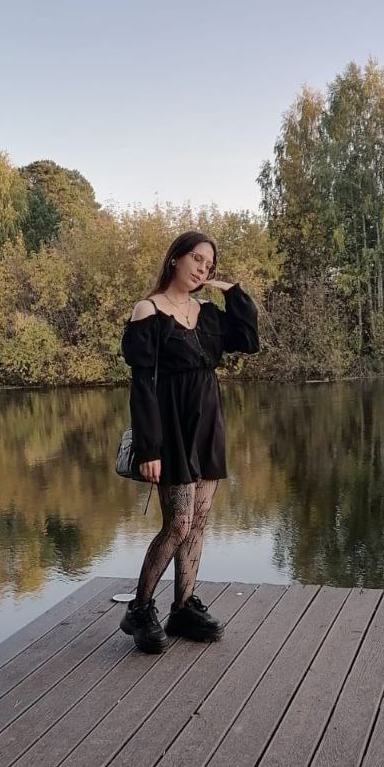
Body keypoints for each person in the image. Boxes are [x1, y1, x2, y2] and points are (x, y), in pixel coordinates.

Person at [119, 230, 259, 653]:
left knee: (198, 519)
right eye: (197, 259)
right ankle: (140, 609)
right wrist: (149, 448)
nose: (202, 268)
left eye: (209, 265)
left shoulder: (208, 314)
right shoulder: (148, 311)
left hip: (207, 425)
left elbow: (249, 340)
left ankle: (182, 607)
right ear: (176, 258)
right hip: (171, 429)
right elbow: (142, 386)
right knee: (178, 523)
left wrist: (231, 291)